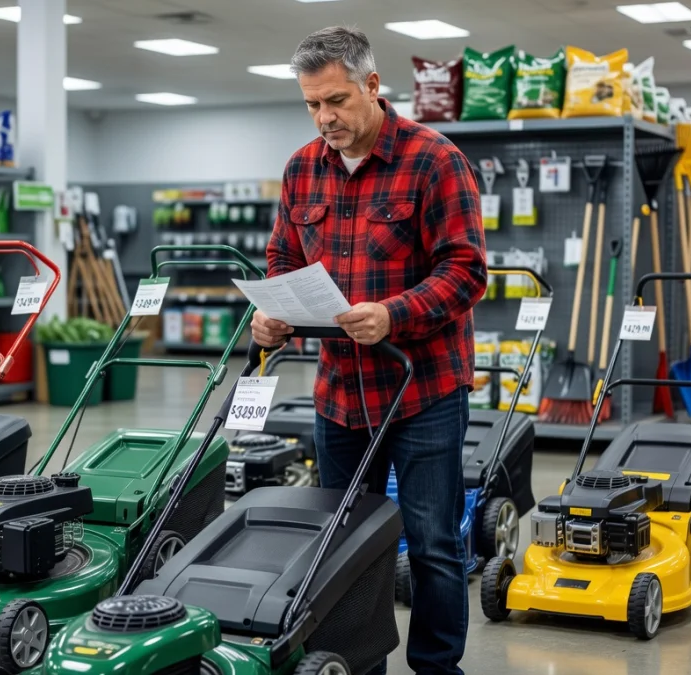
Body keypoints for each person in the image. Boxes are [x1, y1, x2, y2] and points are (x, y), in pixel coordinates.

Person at [250, 26, 487, 675]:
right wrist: (271, 311)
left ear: (373, 86)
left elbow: (466, 270)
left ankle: (438, 665)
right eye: (311, 105)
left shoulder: (435, 160)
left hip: (423, 391)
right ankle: (359, 661)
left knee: (434, 541)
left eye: (336, 100)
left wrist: (394, 314)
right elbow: (283, 255)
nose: (325, 118)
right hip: (339, 395)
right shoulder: (303, 168)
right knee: (344, 540)